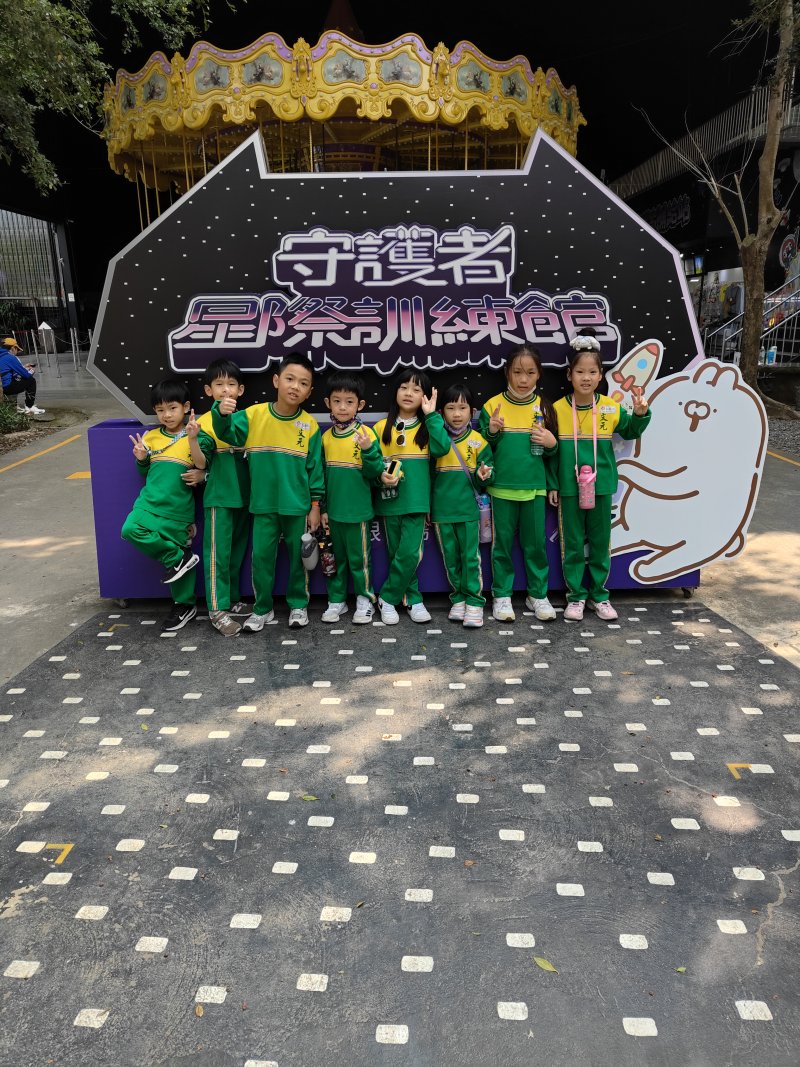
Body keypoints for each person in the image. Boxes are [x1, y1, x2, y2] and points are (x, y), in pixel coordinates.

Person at [212, 352, 323, 630]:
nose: (295, 387)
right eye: (289, 379)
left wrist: (315, 506)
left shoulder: (310, 426)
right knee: (261, 559)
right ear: (276, 381)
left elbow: (315, 471)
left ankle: (298, 605)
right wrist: (220, 413)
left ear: (309, 391)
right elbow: (227, 433)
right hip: (262, 504)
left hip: (298, 506)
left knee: (299, 559)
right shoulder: (254, 415)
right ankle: (263, 608)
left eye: (303, 383)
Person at [550, 330, 651, 621]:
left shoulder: (609, 406)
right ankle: (575, 597)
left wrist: (640, 414)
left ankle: (599, 596)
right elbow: (551, 452)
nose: (586, 378)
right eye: (580, 372)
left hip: (602, 485)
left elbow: (630, 431)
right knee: (572, 543)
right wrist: (553, 483)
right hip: (569, 487)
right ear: (569, 375)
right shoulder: (557, 409)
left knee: (599, 542)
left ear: (600, 375)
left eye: (592, 372)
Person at [121, 379, 213, 632]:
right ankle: (178, 558)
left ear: (186, 407)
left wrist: (193, 440)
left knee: (179, 555)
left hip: (179, 511)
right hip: (148, 504)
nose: (167, 415)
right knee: (130, 529)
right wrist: (142, 458)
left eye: (172, 408)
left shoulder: (198, 435)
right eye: (160, 410)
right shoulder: (150, 437)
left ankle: (184, 605)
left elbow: (202, 465)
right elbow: (145, 471)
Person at [478, 344, 559, 623]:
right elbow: (480, 448)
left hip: (535, 488)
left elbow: (552, 455)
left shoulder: (545, 408)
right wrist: (491, 432)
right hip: (501, 489)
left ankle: (537, 594)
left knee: (536, 545)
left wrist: (551, 444)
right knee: (501, 546)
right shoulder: (492, 406)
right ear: (506, 373)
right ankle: (501, 595)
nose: (523, 379)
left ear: (539, 374)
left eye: (530, 372)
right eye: (517, 372)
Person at [372, 368, 451, 625]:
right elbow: (371, 465)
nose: (409, 393)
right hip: (389, 500)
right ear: (395, 391)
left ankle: (388, 597)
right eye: (404, 387)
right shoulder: (380, 428)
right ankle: (412, 598)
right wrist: (380, 476)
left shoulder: (427, 427)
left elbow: (442, 448)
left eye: (417, 390)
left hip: (417, 502)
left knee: (409, 554)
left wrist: (432, 416)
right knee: (397, 555)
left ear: (424, 396)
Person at [189, 359, 251, 637]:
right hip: (219, 497)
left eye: (231, 384)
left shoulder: (247, 418)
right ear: (208, 390)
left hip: (246, 497)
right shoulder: (203, 422)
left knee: (237, 552)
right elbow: (201, 463)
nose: (226, 390)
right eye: (219, 384)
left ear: (241, 390)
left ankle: (232, 600)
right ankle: (216, 610)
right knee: (217, 554)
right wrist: (193, 439)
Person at [319, 371, 385, 624]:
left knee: (360, 561)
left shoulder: (367, 435)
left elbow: (375, 473)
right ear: (328, 403)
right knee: (335, 560)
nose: (343, 407)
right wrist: (323, 508)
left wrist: (368, 449)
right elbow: (321, 477)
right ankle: (337, 600)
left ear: (360, 405)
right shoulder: (325, 438)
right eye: (337, 401)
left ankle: (365, 599)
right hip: (334, 514)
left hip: (358, 512)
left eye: (349, 402)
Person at [432, 383, 495, 628]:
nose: (457, 414)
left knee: (470, 558)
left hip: (469, 511)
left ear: (472, 411)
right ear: (441, 412)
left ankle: (475, 601)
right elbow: (428, 477)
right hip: (441, 511)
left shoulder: (479, 441)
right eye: (450, 408)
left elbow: (488, 477)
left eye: (462, 408)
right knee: (451, 559)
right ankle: (458, 598)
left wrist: (484, 476)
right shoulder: (436, 441)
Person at [0, 337, 45, 415]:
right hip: (6, 387)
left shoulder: (2, 356)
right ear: (12, 348)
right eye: (17, 349)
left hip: (2, 386)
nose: (17, 352)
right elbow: (26, 375)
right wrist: (31, 371)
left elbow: (7, 372)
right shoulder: (10, 358)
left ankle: (14, 405)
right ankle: (29, 407)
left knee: (17, 379)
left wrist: (23, 368)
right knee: (31, 381)